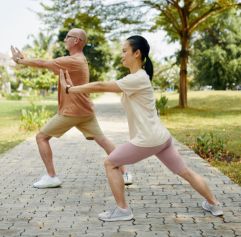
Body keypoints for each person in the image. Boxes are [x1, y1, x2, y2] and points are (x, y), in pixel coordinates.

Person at [59, 35, 224, 221]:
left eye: (124, 51)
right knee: (184, 171)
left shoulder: (137, 78)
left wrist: (69, 90)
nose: (121, 55)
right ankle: (214, 204)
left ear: (137, 53)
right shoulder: (138, 77)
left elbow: (100, 85)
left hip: (149, 139)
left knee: (110, 163)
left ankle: (122, 210)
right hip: (161, 137)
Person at [11, 28, 132, 188]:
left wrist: (20, 61)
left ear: (76, 41)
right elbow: (47, 66)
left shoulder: (72, 60)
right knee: (103, 140)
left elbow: (43, 63)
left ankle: (51, 176)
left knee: (41, 137)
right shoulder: (79, 60)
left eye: (68, 37)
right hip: (85, 111)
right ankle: (126, 173)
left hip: (71, 112)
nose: (65, 39)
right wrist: (26, 59)